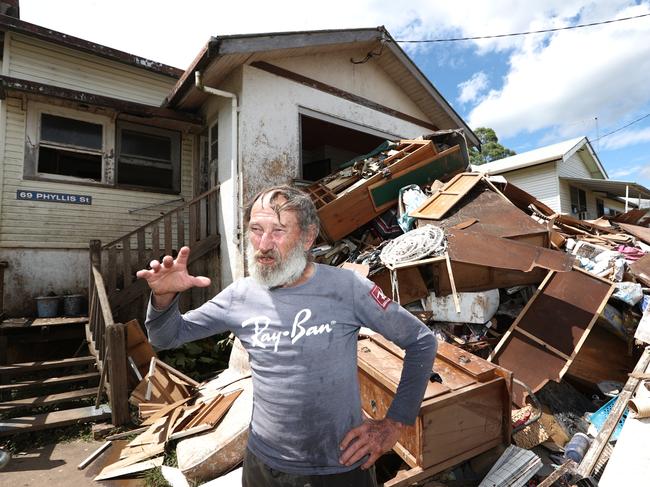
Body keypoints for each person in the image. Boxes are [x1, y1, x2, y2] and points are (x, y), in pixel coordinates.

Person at [138, 185, 437, 487]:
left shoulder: (347, 288)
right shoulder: (240, 296)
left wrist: (395, 423)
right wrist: (164, 300)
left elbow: (421, 341)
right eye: (256, 229)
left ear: (308, 237)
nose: (264, 244)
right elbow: (167, 337)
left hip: (340, 467)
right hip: (263, 466)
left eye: (278, 231)